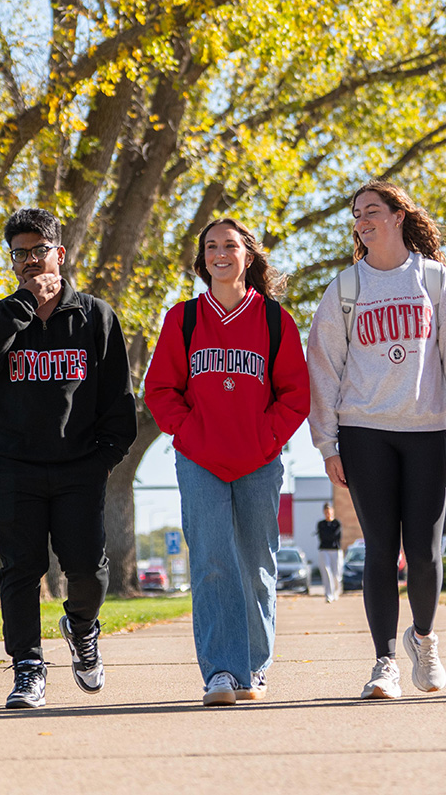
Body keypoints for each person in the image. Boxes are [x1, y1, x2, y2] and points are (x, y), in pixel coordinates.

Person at [307, 181, 446, 700]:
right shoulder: (344, 289)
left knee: (423, 553)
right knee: (380, 549)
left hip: (426, 430)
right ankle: (384, 662)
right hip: (364, 433)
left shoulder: (434, 280)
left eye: (372, 211)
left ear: (399, 215)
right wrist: (327, 443)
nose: (362, 221)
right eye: (356, 214)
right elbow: (322, 368)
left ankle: (423, 640)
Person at [0, 208, 138, 710]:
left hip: (80, 466)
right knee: (20, 570)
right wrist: (21, 307)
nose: (31, 261)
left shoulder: (95, 316)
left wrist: (105, 457)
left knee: (88, 569)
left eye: (40, 250)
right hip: (16, 466)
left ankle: (82, 629)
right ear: (12, 260)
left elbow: (118, 398)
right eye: (20, 253)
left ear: (60, 253)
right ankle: (28, 668)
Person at [143, 217, 310, 706]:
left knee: (257, 564)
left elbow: (296, 395)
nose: (221, 253)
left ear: (248, 256)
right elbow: (161, 391)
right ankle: (220, 671)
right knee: (213, 563)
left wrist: (266, 437)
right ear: (202, 260)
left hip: (259, 460)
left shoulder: (275, 320)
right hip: (200, 461)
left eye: (230, 245)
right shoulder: (184, 319)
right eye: (211, 246)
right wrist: (192, 433)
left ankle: (253, 670)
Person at [316, 502, 343, 603]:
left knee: (336, 574)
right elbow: (322, 537)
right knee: (327, 572)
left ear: (332, 511)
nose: (328, 513)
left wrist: (329, 535)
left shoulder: (337, 523)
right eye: (326, 511)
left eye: (329, 511)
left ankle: (336, 591)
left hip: (336, 550)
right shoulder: (321, 524)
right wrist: (329, 535)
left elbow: (337, 536)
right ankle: (329, 594)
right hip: (324, 550)